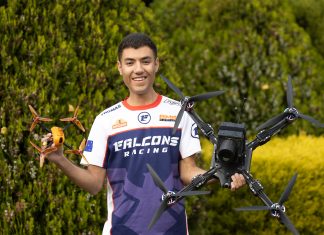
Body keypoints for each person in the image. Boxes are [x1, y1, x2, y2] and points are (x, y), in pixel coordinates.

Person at [42, 33, 246, 235]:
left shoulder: (180, 113)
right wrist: (59, 159)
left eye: (145, 61)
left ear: (156, 64)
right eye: (130, 62)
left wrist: (222, 174)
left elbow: (187, 173)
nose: (138, 69)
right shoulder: (105, 120)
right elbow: (94, 184)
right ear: (119, 67)